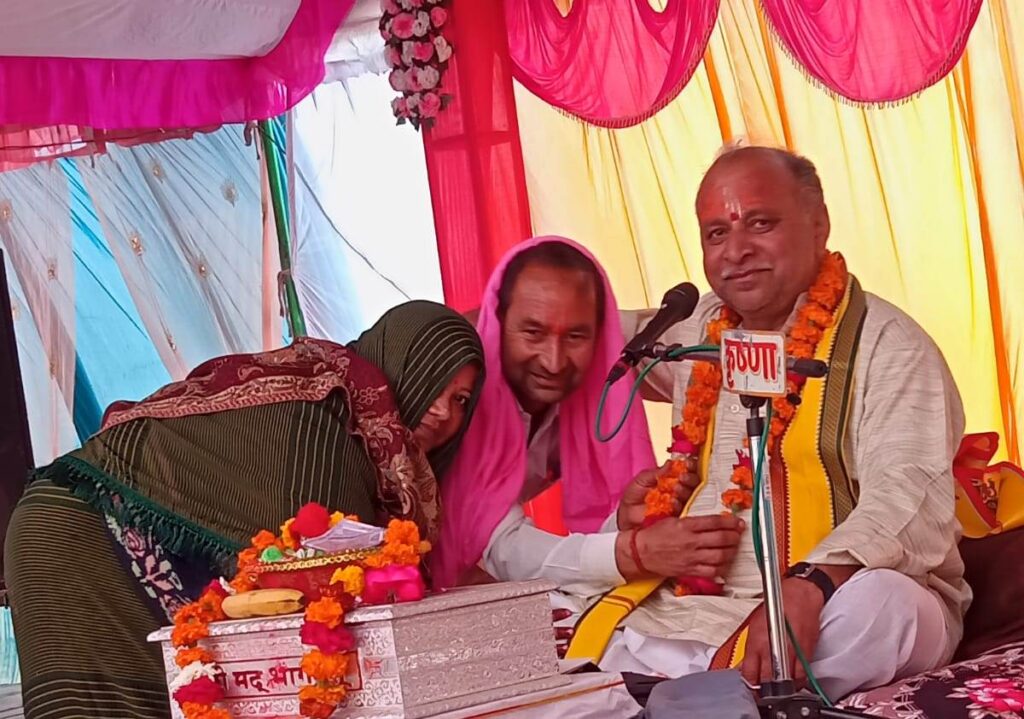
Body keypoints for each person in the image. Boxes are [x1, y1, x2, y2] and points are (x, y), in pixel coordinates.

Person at [564, 146, 970, 700]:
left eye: (760, 223)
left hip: (835, 598)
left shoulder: (890, 346)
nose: (737, 251)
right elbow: (587, 333)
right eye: (716, 233)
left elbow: (907, 498)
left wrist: (811, 582)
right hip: (698, 605)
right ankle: (708, 685)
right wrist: (482, 325)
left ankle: (693, 690)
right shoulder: (698, 331)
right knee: (558, 596)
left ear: (818, 224)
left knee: (887, 609)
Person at [4, 300, 484, 719]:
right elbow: (322, 592)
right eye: (432, 382)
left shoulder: (351, 425)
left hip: (104, 536)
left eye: (461, 399)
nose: (444, 411)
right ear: (399, 364)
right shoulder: (324, 418)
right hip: (80, 537)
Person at [432, 236, 743, 596]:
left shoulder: (596, 381)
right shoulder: (458, 393)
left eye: (576, 337)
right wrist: (635, 553)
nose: (553, 361)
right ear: (498, 320)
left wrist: (623, 520)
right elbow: (504, 550)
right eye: (533, 333)